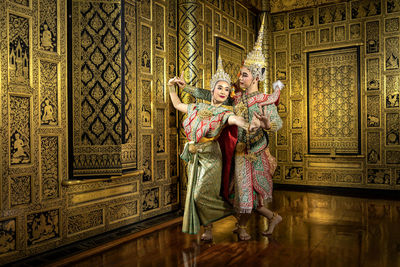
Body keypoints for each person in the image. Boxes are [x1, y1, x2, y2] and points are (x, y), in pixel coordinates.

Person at [175, 14, 283, 240]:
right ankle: (245, 222)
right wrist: (188, 89)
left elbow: (276, 123)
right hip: (234, 151)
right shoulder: (236, 98)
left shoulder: (264, 99)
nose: (239, 77)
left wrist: (267, 124)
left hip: (253, 152)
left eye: (243, 74)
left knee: (247, 193)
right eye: (240, 74)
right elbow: (212, 96)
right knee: (232, 191)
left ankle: (244, 226)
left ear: (254, 77)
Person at [168, 57, 257, 241]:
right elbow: (178, 104)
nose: (224, 91)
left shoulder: (228, 111)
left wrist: (249, 125)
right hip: (195, 156)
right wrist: (172, 87)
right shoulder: (199, 107)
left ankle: (236, 218)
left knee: (204, 193)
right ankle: (208, 229)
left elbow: (235, 120)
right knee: (196, 195)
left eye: (227, 89)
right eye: (220, 88)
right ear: (213, 90)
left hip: (215, 157)